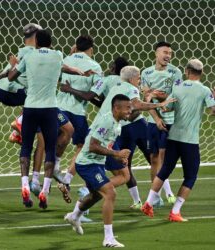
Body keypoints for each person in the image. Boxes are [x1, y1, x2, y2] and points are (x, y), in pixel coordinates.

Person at [61, 66, 175, 209]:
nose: (139, 81)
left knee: (119, 172)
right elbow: (136, 106)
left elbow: (127, 111)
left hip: (100, 131)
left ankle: (82, 204)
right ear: (132, 78)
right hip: (104, 134)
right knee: (123, 175)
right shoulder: (130, 89)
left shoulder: (116, 87)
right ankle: (88, 196)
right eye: (138, 78)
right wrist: (159, 103)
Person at [8, 30, 92, 209]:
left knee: (26, 147)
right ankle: (44, 192)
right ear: (51, 43)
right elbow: (64, 67)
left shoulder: (29, 56)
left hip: (30, 107)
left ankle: (25, 185)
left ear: (36, 42)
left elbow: (11, 77)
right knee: (50, 148)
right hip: (49, 109)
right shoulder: (57, 55)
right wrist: (80, 71)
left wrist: (15, 65)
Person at [141, 59, 215, 222]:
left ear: (187, 71)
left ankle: (148, 202)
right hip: (190, 140)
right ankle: (175, 212)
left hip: (173, 137)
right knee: (190, 176)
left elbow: (166, 107)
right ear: (202, 73)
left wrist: (153, 98)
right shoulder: (204, 90)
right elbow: (213, 111)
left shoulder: (178, 87)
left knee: (165, 169)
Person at [57, 56, 129, 203]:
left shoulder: (107, 80)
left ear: (114, 68)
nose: (109, 66)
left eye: (111, 64)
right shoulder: (126, 85)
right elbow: (104, 103)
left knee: (92, 158)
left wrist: (69, 89)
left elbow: (91, 96)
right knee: (122, 174)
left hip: (105, 128)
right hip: (112, 130)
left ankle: (77, 187)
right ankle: (87, 193)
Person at [64, 94, 132, 248]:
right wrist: (116, 153)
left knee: (96, 195)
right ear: (116, 108)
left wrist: (118, 158)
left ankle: (74, 216)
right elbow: (92, 146)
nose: (130, 110)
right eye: (127, 107)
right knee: (110, 193)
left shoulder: (117, 124)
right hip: (87, 163)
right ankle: (108, 238)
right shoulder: (106, 121)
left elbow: (106, 146)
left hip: (97, 163)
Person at [55, 35, 103, 203]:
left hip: (57, 107)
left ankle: (44, 183)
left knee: (51, 142)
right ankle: (67, 179)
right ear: (91, 49)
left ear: (75, 46)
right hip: (77, 112)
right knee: (83, 146)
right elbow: (94, 94)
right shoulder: (95, 66)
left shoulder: (66, 59)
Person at [141, 41, 183, 205]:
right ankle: (155, 197)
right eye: (165, 52)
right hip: (153, 121)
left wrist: (158, 95)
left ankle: (169, 193)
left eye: (170, 53)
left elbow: (175, 97)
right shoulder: (146, 72)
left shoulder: (176, 72)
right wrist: (157, 118)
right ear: (156, 54)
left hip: (171, 121)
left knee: (164, 158)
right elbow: (146, 100)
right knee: (153, 157)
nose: (168, 56)